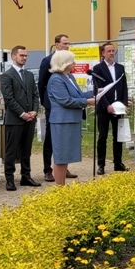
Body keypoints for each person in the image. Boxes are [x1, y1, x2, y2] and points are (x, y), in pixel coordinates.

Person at [45, 50, 95, 185]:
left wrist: (96, 92)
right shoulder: (56, 79)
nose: (75, 63)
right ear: (64, 63)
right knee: (61, 156)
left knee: (66, 155)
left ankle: (62, 186)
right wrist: (88, 102)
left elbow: (78, 95)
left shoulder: (69, 77)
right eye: (72, 61)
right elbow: (66, 101)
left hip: (71, 120)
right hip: (62, 122)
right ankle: (59, 188)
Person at [0, 45, 42, 191]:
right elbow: (9, 98)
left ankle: (26, 176)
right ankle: (9, 179)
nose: (24, 58)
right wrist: (22, 114)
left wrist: (34, 111)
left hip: (30, 118)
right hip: (15, 119)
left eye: (26, 55)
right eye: (21, 55)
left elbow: (35, 95)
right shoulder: (7, 75)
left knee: (26, 149)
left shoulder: (29, 75)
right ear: (13, 56)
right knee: (11, 150)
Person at [37, 34, 77, 182]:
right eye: (65, 43)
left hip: (66, 105)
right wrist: (45, 101)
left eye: (69, 43)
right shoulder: (48, 61)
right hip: (53, 105)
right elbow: (42, 83)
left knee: (64, 137)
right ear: (57, 45)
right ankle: (48, 169)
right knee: (51, 137)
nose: (67, 46)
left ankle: (62, 168)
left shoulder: (67, 61)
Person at [89, 41, 129, 173]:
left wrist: (124, 104)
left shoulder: (120, 68)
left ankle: (118, 163)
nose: (112, 53)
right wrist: (106, 105)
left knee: (118, 136)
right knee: (103, 136)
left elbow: (124, 87)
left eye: (113, 51)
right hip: (104, 107)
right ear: (103, 53)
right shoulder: (98, 69)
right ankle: (101, 165)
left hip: (118, 107)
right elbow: (98, 89)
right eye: (109, 51)